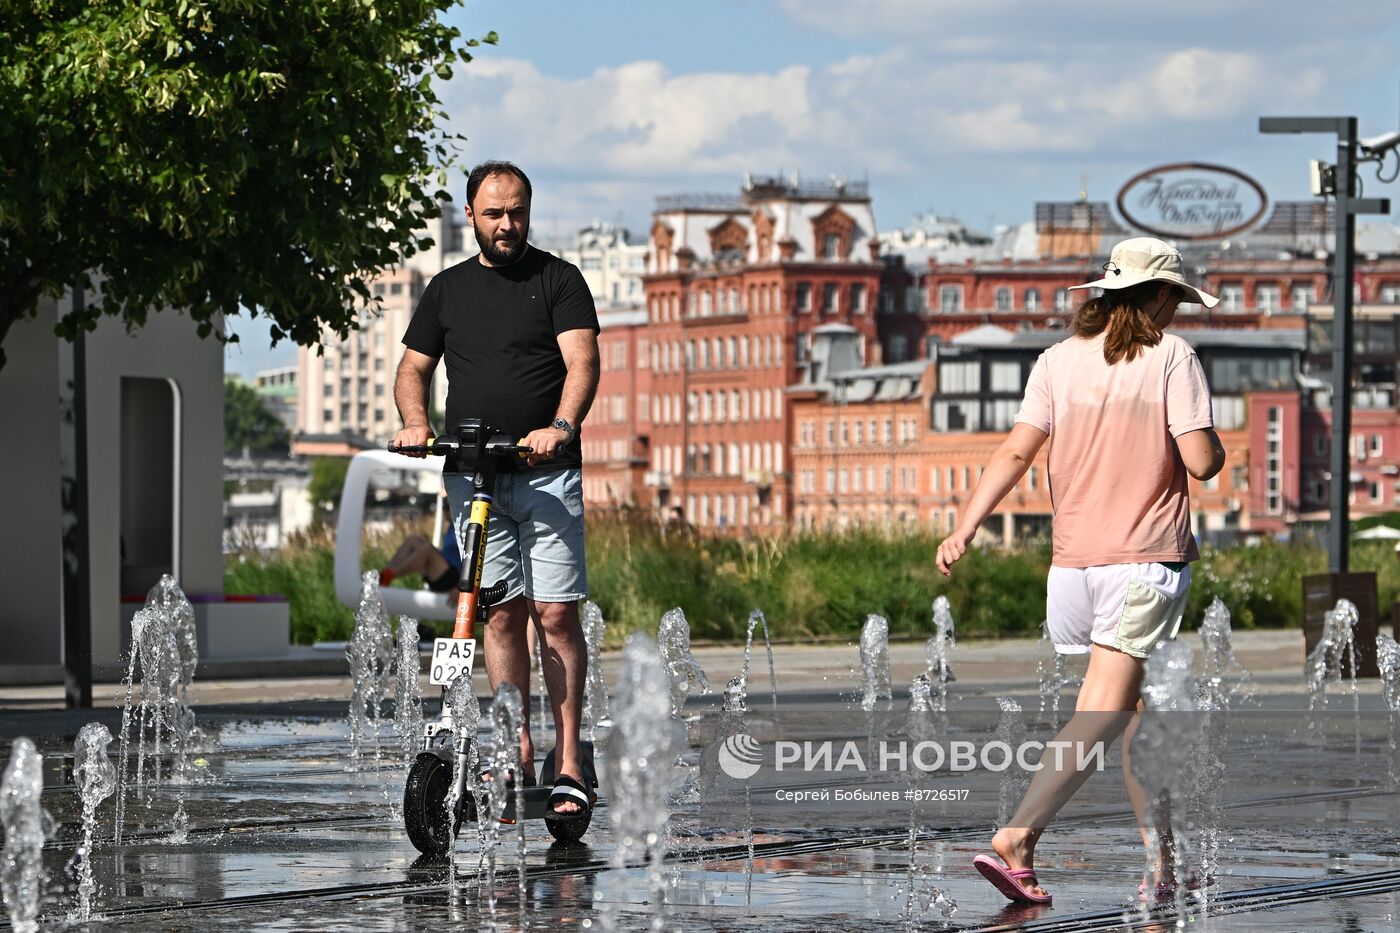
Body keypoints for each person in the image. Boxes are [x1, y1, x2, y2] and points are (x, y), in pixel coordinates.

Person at [935, 237, 1227, 904]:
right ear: (1157, 297)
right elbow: (1201, 461)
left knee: (1136, 717)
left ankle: (1164, 867)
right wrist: (1212, 441)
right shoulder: (1172, 357)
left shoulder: (1056, 361)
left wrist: (965, 525)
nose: (1178, 312)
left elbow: (1013, 451)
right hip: (1140, 562)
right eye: (1176, 299)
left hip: (1073, 566)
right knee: (1101, 711)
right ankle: (1017, 834)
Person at [392, 160, 600, 823]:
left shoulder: (558, 280)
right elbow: (412, 368)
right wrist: (417, 421)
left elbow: (583, 362)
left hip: (545, 474)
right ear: (472, 216)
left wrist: (560, 426)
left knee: (556, 615)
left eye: (517, 212)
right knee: (499, 614)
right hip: (474, 478)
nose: (507, 224)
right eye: (493, 213)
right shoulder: (447, 290)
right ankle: (515, 750)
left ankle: (569, 760)